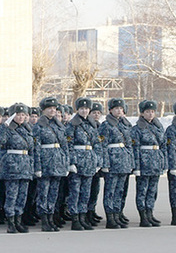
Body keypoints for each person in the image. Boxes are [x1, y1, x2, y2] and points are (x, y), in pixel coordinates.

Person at [0, 103, 34, 233]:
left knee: (22, 195)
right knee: (12, 195)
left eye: (23, 115)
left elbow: (31, 148)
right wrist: (5, 126)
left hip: (25, 166)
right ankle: (10, 222)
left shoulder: (27, 129)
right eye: (18, 115)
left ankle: (18, 220)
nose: (21, 117)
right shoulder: (6, 129)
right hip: (12, 167)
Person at [31, 97, 68, 232]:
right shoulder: (39, 126)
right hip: (45, 163)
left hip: (57, 163)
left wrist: (66, 164)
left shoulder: (59, 125)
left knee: (54, 193)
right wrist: (38, 167)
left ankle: (51, 217)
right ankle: (44, 220)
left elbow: (65, 146)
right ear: (44, 110)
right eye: (49, 108)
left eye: (54, 108)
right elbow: (36, 148)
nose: (53, 110)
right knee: (43, 193)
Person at [99, 98, 135, 229]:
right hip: (112, 161)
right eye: (116, 109)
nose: (119, 111)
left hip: (124, 161)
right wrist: (105, 164)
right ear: (110, 110)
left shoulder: (125, 124)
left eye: (121, 108)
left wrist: (131, 162)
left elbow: (130, 145)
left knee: (120, 190)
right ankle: (110, 218)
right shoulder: (106, 125)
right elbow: (102, 145)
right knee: (110, 191)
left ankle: (117, 214)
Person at [65, 97, 99, 231]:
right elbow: (69, 144)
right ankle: (75, 219)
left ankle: (83, 217)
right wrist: (71, 162)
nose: (84, 111)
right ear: (77, 110)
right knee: (75, 192)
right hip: (78, 161)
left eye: (86, 109)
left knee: (86, 192)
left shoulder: (92, 124)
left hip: (89, 160)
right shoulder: (72, 124)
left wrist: (97, 161)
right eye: (82, 109)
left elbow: (96, 143)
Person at [131, 100, 166, 227]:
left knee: (152, 191)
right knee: (142, 190)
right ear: (142, 113)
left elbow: (163, 146)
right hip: (144, 163)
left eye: (152, 112)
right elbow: (135, 148)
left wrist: (164, 163)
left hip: (156, 162)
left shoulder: (158, 127)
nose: (150, 114)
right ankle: (143, 216)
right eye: (147, 112)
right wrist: (137, 167)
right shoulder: (137, 129)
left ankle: (150, 213)